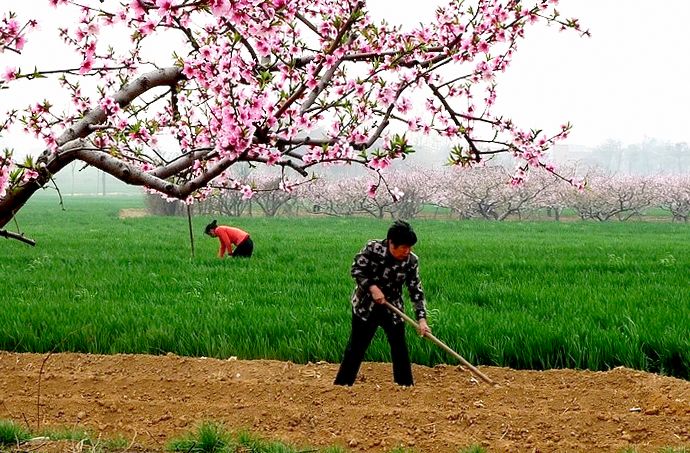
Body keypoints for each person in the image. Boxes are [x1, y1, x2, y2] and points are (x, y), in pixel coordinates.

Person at [334, 220, 430, 387]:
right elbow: (357, 269)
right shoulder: (373, 249)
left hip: (393, 308)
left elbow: (415, 290)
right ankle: (342, 386)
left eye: (410, 247)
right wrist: (372, 287)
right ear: (391, 243)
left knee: (399, 348)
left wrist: (421, 319)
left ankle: (405, 387)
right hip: (365, 307)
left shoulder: (411, 261)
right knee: (356, 347)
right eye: (404, 247)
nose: (407, 251)